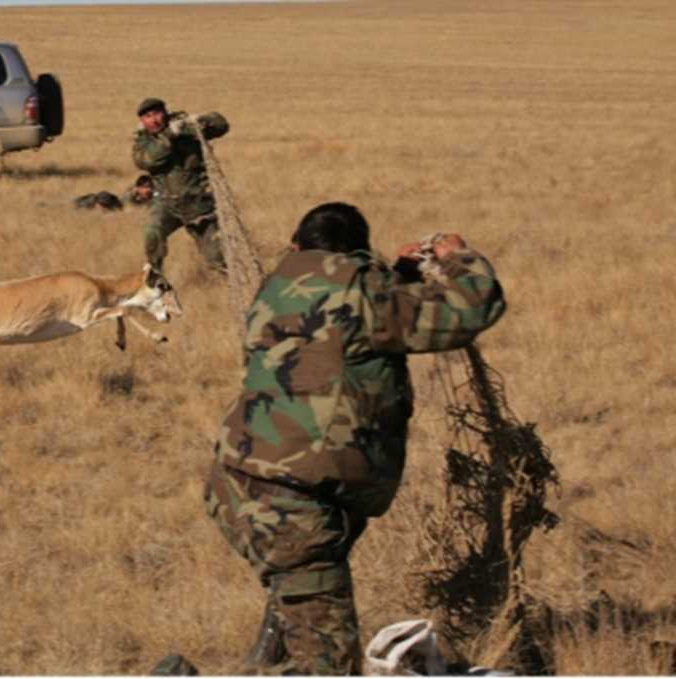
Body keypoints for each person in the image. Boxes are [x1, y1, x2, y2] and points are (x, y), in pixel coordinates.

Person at [203, 202, 507, 675]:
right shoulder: (369, 294)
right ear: (359, 252)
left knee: (299, 596)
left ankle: (267, 660)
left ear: (299, 244)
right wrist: (457, 258)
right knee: (332, 663)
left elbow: (341, 318)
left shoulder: (278, 283)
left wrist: (393, 273)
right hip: (293, 505)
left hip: (241, 483)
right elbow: (471, 309)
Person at [132, 98, 228, 272]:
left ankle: (239, 288)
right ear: (142, 121)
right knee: (152, 233)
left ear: (165, 113)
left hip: (198, 204)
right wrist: (170, 135)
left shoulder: (185, 130)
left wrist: (197, 122)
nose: (154, 120)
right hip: (166, 204)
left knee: (218, 259)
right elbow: (147, 161)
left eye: (157, 114)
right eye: (147, 116)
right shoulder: (143, 142)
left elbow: (222, 124)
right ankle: (155, 278)